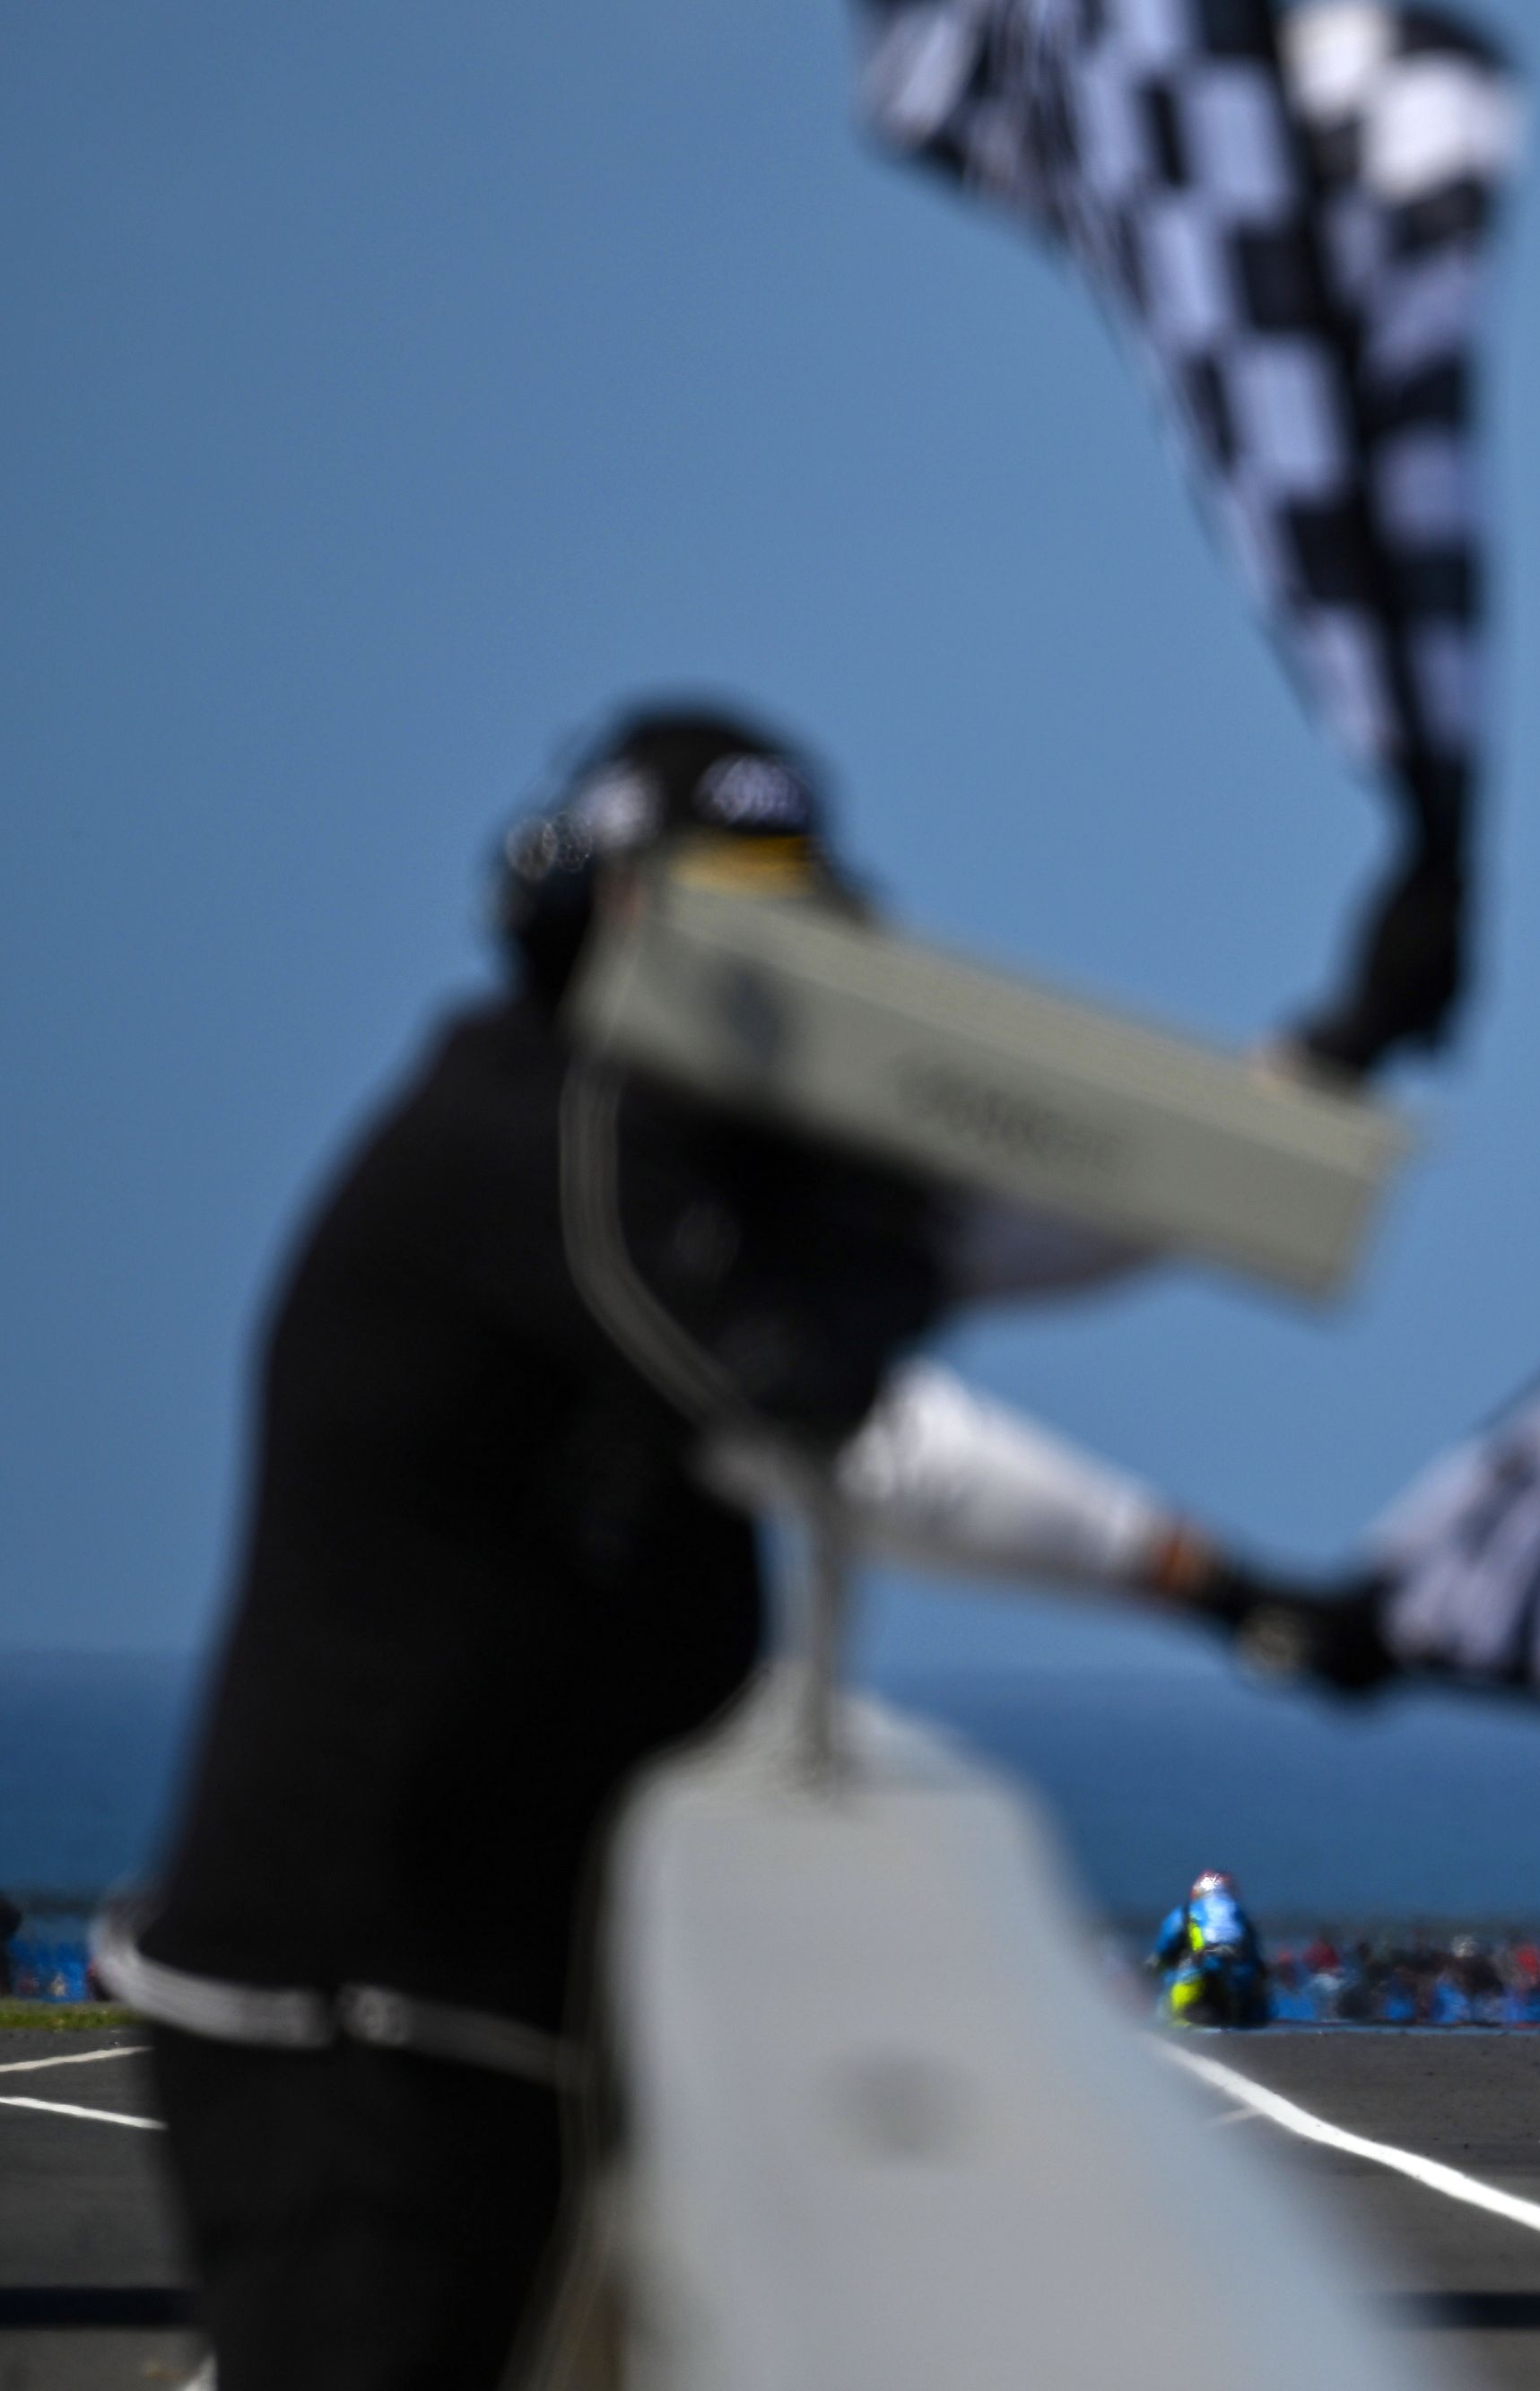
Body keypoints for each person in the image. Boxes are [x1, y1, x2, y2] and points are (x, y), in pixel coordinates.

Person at [104, 706, 1353, 2391]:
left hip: (470, 1987)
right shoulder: (550, 1143)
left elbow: (982, 1233)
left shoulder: (642, 1149)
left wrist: (1307, 1084)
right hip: (357, 2001)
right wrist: (1207, 1578)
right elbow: (824, 1414)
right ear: (611, 913)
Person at [1150, 1871, 1271, 2030]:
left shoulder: (1187, 1911)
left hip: (1196, 1976)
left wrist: (1154, 1967)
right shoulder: (1240, 1913)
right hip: (1239, 1983)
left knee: (1168, 2008)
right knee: (1254, 2009)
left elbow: (1164, 1948)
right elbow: (1256, 1954)